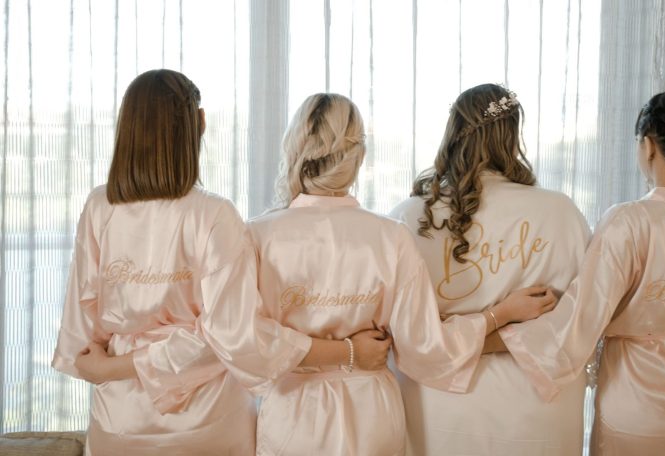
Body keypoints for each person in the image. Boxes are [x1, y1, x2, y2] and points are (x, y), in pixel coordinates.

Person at [52, 69, 390, 456]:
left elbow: (82, 325)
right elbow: (229, 335)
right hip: (208, 417)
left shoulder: (100, 206)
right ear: (199, 123)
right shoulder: (214, 215)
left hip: (120, 415)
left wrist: (112, 368)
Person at [247, 92, 557, 456]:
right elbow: (426, 346)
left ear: (294, 146)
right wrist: (499, 314)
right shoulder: (390, 236)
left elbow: (242, 341)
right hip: (371, 415)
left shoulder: (255, 236)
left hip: (292, 415)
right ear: (358, 155)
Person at [503, 88, 665, 455]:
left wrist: (495, 331)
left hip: (635, 407)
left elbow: (582, 319)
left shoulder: (627, 222)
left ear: (648, 146)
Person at [388, 83, 591, 455]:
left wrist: (472, 335)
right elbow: (581, 323)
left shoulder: (409, 217)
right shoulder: (561, 213)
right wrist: (503, 322)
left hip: (439, 406)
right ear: (512, 137)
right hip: (534, 408)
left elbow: (404, 334)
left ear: (452, 134)